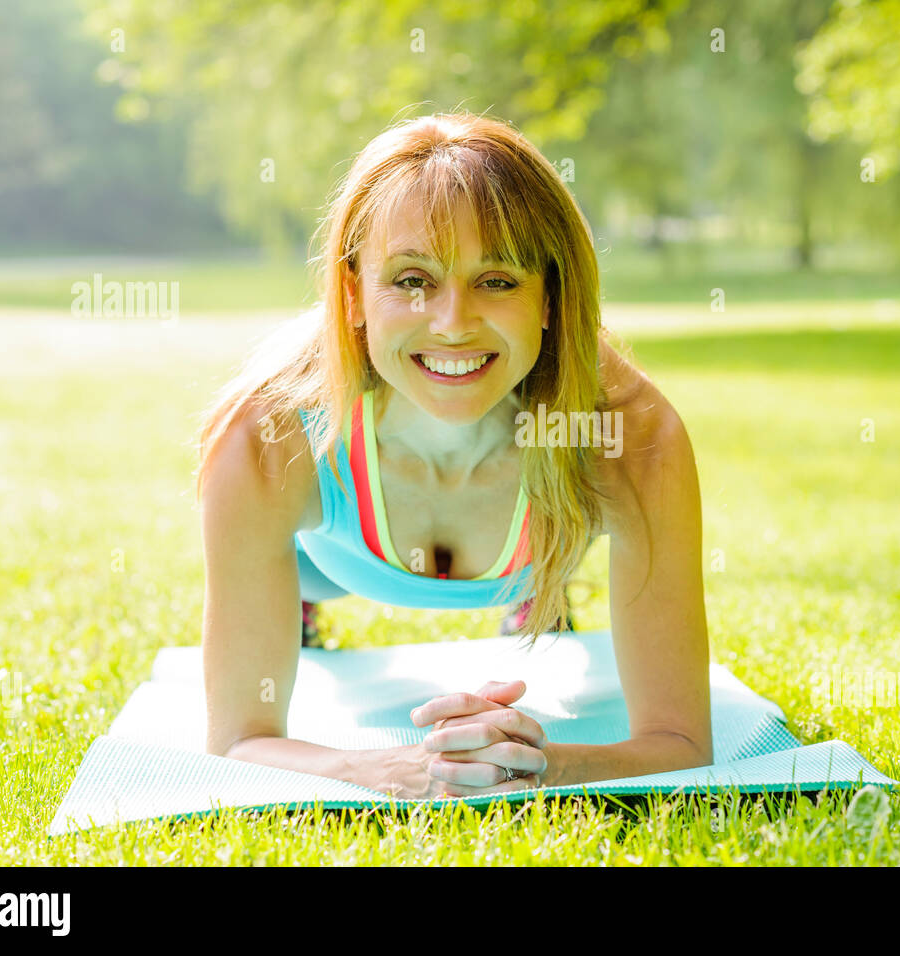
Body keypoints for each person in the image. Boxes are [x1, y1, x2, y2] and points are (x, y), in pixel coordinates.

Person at [193, 111, 711, 799]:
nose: (453, 324)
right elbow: (237, 739)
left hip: (533, 543)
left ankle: (541, 592)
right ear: (353, 296)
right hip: (329, 560)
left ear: (551, 297)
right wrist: (383, 768)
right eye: (412, 280)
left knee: (555, 523)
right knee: (305, 585)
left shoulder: (631, 440)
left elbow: (679, 741)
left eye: (496, 281)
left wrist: (540, 763)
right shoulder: (267, 439)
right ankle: (304, 610)